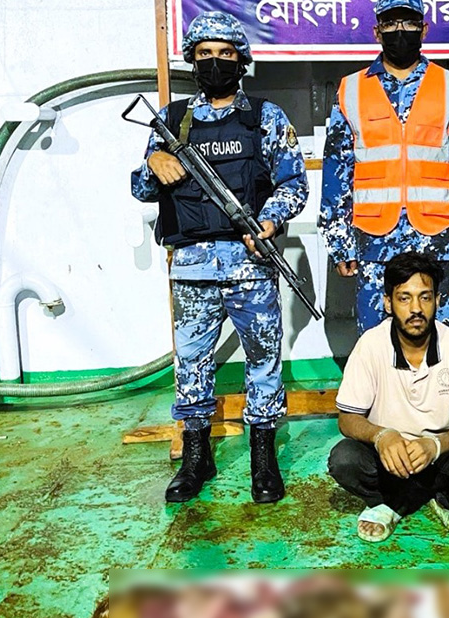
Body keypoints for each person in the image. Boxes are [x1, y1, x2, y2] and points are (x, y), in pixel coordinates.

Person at [131, 11, 309, 504]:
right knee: (191, 363)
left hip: (251, 264)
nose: (215, 62)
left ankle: (262, 458)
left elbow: (294, 184)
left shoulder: (265, 117)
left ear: (241, 60)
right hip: (191, 267)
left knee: (263, 360)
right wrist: (152, 162)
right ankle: (196, 457)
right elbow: (142, 189)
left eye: (225, 54)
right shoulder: (171, 121)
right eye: (205, 54)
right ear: (192, 59)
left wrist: (269, 220)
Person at [317, 0, 449, 335]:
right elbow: (337, 169)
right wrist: (338, 242)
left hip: (437, 238)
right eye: (390, 24)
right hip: (374, 238)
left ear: (424, 29)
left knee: (441, 338)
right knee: (376, 340)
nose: (400, 31)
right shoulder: (351, 89)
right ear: (377, 32)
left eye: (408, 22)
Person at [328, 252, 449, 542]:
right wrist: (382, 437)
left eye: (425, 297)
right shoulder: (370, 344)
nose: (416, 309)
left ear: (438, 301)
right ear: (388, 303)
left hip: (441, 456)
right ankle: (390, 502)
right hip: (389, 460)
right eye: (404, 298)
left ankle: (443, 503)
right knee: (344, 459)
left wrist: (436, 444)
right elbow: (348, 419)